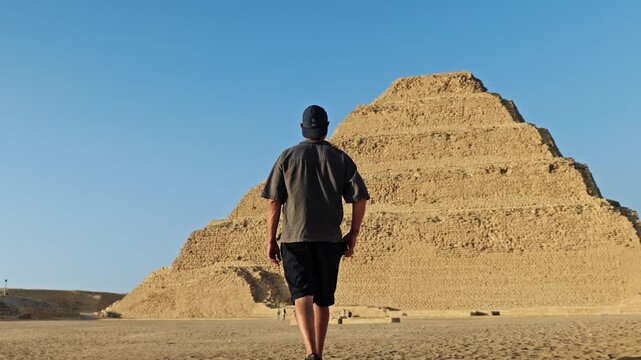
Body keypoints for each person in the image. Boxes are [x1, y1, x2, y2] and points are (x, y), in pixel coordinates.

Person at [261, 105, 369, 360]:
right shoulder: (340, 158)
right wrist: (353, 233)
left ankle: (310, 352)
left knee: (302, 296)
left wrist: (270, 240)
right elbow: (360, 198)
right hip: (329, 240)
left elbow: (274, 202)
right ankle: (318, 352)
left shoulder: (287, 157)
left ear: (302, 128)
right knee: (323, 300)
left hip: (294, 238)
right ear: (327, 127)